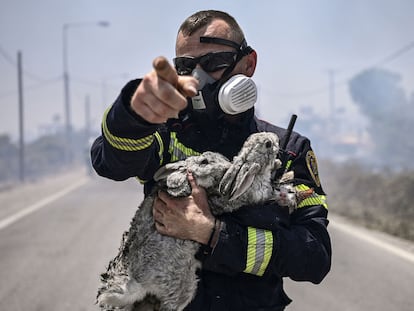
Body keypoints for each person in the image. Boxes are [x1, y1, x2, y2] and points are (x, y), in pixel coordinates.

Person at [91, 10, 331, 311]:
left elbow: (315, 257)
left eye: (213, 63)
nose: (198, 78)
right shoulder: (166, 132)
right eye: (186, 66)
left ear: (248, 64)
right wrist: (133, 116)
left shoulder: (284, 150)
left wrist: (212, 233)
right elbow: (110, 163)